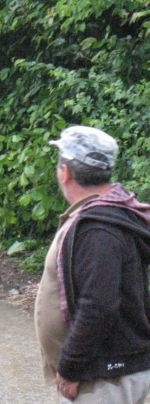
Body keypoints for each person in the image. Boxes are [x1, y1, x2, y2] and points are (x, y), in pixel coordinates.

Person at [34, 125, 150, 403]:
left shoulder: (97, 229)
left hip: (103, 382)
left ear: (66, 172)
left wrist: (72, 367)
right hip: (114, 373)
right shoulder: (112, 216)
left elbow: (98, 305)